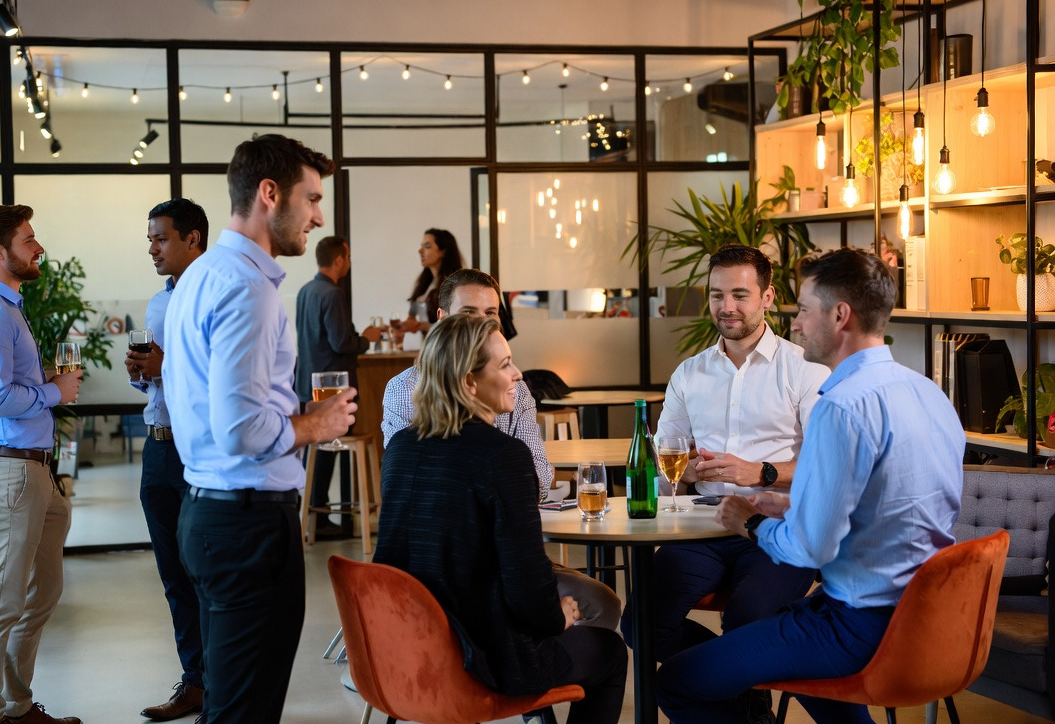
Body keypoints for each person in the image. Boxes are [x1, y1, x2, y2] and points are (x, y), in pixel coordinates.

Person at [657, 247, 966, 724]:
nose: (796, 324)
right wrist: (790, 506)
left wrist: (753, 522)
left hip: (858, 622)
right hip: (927, 617)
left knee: (676, 681)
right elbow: (890, 505)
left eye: (803, 309)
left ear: (840, 316)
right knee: (750, 634)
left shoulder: (841, 406)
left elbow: (810, 549)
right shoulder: (928, 391)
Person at [163, 134, 356, 724]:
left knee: (228, 704)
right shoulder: (247, 288)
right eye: (312, 198)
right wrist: (315, 424)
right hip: (246, 526)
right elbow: (241, 429)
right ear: (270, 194)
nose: (318, 217)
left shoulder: (202, 274)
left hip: (211, 513)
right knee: (244, 712)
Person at [374, 314, 628, 724]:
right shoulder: (503, 456)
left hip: (405, 653)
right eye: (505, 364)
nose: (518, 374)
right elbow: (526, 587)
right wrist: (556, 615)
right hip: (481, 660)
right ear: (469, 383)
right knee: (611, 653)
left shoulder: (401, 448)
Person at [622, 244, 828, 721]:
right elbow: (665, 460)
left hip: (777, 529)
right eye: (717, 295)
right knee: (641, 625)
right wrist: (685, 471)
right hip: (703, 526)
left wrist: (761, 472)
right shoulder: (689, 373)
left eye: (739, 294)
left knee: (748, 619)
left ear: (768, 297)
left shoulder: (805, 368)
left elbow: (828, 466)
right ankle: (743, 701)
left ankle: (728, 690)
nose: (726, 306)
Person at [382, 268, 621, 632]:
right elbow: (421, 492)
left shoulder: (514, 391)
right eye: (469, 314)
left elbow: (539, 478)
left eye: (491, 314)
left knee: (600, 603)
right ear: (443, 320)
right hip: (442, 572)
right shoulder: (403, 391)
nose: (482, 324)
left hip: (501, 554)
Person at [0, 204, 84, 724]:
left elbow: (6, 385)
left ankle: (16, 705)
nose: (39, 247)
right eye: (28, 239)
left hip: (33, 472)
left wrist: (45, 380)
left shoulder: (6, 306)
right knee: (0, 603)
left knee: (42, 592)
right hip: (8, 472)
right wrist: (54, 392)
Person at [123, 198, 209, 723]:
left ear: (192, 239)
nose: (152, 249)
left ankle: (222, 691)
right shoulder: (157, 303)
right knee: (174, 576)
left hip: (199, 451)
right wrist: (142, 373)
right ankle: (195, 682)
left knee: (207, 575)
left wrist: (166, 365)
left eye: (161, 238)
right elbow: (153, 381)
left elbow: (223, 376)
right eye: (150, 240)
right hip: (157, 448)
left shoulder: (219, 296)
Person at [294, 235, 382, 538]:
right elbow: (341, 342)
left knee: (317, 449)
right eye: (348, 257)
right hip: (332, 387)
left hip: (307, 383)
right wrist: (367, 339)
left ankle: (311, 513)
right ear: (340, 259)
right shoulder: (332, 294)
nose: (349, 263)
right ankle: (318, 517)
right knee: (328, 446)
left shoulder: (306, 290)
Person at [401, 227, 463, 334]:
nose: (420, 251)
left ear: (442, 252)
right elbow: (412, 317)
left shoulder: (453, 285)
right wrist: (404, 325)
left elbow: (455, 327)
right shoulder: (425, 283)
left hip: (441, 343)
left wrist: (423, 326)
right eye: (422, 246)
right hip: (425, 342)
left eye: (427, 246)